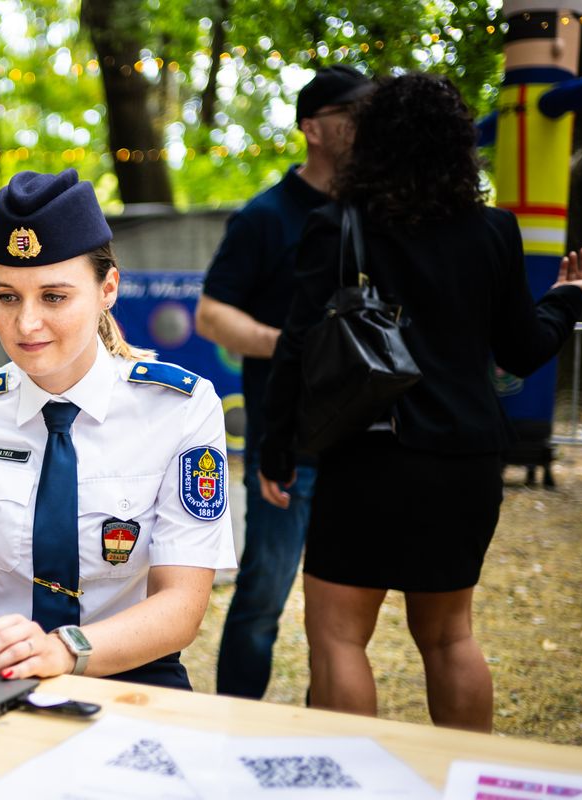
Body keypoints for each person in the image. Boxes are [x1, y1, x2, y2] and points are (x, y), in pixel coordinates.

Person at [259, 74, 582, 731]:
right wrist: (568, 297)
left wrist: (278, 450)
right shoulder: (495, 231)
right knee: (449, 638)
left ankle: (349, 783)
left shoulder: (338, 226)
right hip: (466, 459)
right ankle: (465, 779)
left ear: (371, 142)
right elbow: (522, 351)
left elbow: (297, 349)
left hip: (369, 454)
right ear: (457, 146)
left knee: (337, 637)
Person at [0, 169, 236, 689]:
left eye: (54, 297)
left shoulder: (180, 409)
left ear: (108, 289)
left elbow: (180, 608)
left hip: (130, 670)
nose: (26, 324)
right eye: (6, 296)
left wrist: (64, 650)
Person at [195, 65, 372, 699]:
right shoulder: (265, 217)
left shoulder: (378, 212)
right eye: (350, 113)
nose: (364, 123)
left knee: (343, 619)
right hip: (287, 445)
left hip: (364, 444)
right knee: (264, 598)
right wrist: (295, 347)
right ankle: (234, 724)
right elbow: (211, 314)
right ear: (312, 129)